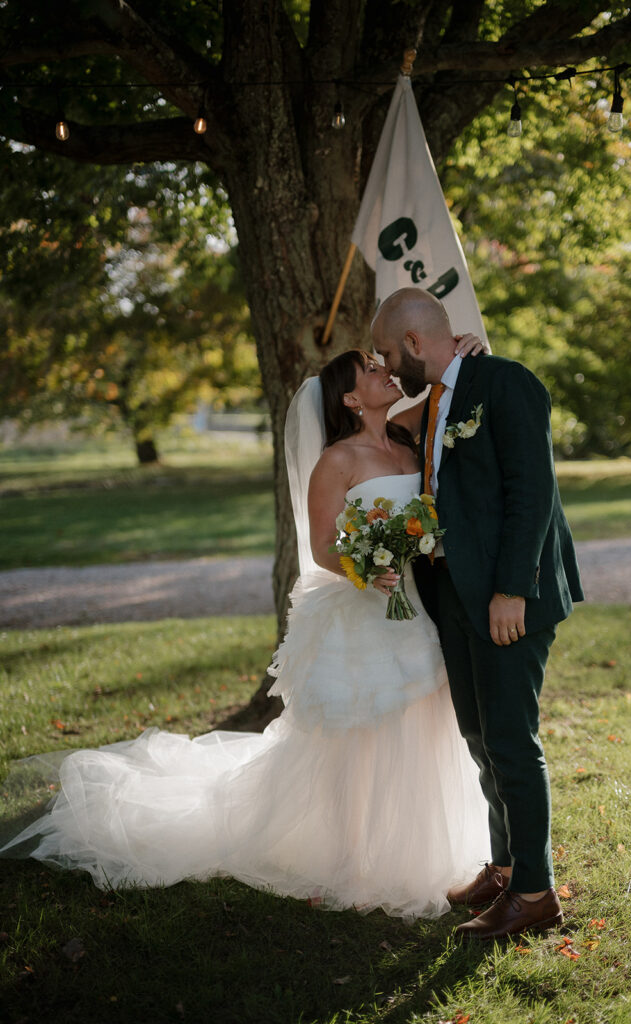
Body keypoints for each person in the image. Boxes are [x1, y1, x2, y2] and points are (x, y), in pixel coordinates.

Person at [0, 340, 491, 920]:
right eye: (372, 369)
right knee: (361, 741)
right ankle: (354, 857)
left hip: (417, 606)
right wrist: (368, 565)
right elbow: (322, 547)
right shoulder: (337, 460)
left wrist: (468, 356)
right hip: (367, 609)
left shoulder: (408, 435)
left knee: (423, 727)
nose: (387, 372)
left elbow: (443, 387)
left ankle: (428, 845)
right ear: (353, 398)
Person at [371, 287, 584, 940]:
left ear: (412, 343)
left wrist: (510, 589)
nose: (382, 368)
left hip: (505, 600)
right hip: (454, 597)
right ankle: (502, 867)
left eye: (385, 353)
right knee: (478, 739)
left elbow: (532, 491)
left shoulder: (506, 383)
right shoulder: (435, 398)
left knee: (511, 744)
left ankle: (533, 892)